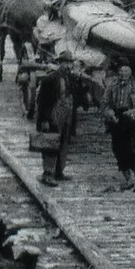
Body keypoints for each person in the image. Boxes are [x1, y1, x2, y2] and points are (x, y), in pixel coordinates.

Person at [101, 60, 135, 190]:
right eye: (121, 71)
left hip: (131, 121)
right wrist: (110, 114)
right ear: (118, 72)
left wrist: (133, 113)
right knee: (118, 150)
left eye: (126, 71)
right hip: (116, 119)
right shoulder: (112, 86)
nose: (123, 73)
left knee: (134, 150)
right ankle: (128, 179)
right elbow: (104, 104)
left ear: (130, 72)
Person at [34, 50, 78, 186]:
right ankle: (47, 174)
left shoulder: (70, 78)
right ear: (59, 63)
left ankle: (59, 172)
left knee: (63, 143)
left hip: (66, 115)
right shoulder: (50, 79)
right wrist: (45, 120)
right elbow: (42, 102)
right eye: (65, 63)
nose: (68, 66)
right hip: (52, 115)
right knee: (50, 143)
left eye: (70, 63)